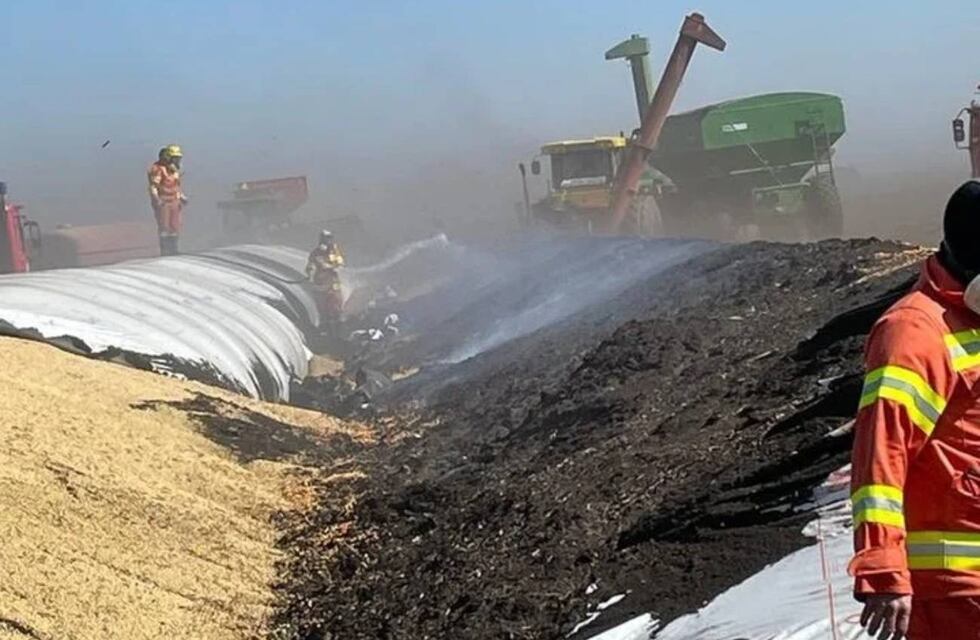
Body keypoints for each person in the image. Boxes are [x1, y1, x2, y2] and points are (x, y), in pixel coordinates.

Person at [850, 180, 980, 639]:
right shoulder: (913, 334)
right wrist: (883, 568)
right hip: (956, 592)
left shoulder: (972, 322)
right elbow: (879, 460)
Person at [147, 144, 187, 256]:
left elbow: (176, 187)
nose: (177, 161)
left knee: (175, 225)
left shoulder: (174, 171)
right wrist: (157, 199)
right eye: (175, 158)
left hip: (174, 201)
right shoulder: (159, 169)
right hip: (163, 202)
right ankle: (165, 251)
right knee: (164, 226)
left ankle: (174, 249)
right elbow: (153, 186)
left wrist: (181, 197)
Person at [306, 230, 346, 327]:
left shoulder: (335, 251)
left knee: (337, 297)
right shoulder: (316, 253)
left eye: (329, 239)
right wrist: (310, 272)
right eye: (325, 239)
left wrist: (337, 267)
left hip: (333, 280)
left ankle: (338, 315)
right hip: (321, 281)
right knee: (321, 301)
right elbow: (310, 265)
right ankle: (323, 320)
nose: (327, 242)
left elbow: (340, 262)